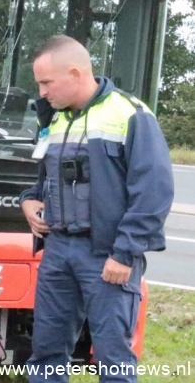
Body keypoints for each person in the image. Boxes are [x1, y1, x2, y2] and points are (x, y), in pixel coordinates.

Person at [19, 35, 173, 383]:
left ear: (75, 73)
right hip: (58, 251)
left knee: (112, 358)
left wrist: (124, 253)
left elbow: (154, 193)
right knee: (46, 352)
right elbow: (43, 178)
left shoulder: (129, 114)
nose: (42, 92)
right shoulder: (54, 119)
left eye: (46, 82)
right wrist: (28, 200)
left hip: (107, 256)